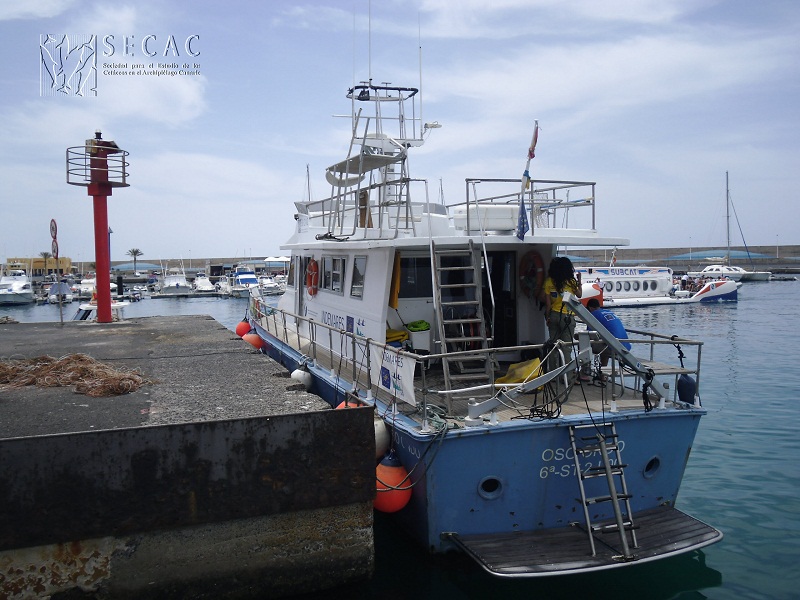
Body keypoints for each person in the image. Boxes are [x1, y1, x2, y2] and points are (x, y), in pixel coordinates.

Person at [542, 257, 582, 368]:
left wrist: (547, 318)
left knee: (553, 346)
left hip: (553, 315)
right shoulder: (571, 282)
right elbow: (579, 295)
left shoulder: (549, 281)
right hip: (567, 317)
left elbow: (548, 304)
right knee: (566, 347)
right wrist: (579, 281)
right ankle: (566, 377)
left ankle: (552, 374)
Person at [585, 298, 631, 368]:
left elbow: (589, 334)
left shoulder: (593, 314)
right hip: (625, 347)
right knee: (605, 342)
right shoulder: (608, 311)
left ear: (590, 308)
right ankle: (603, 371)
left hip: (614, 348)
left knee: (584, 343)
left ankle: (585, 370)